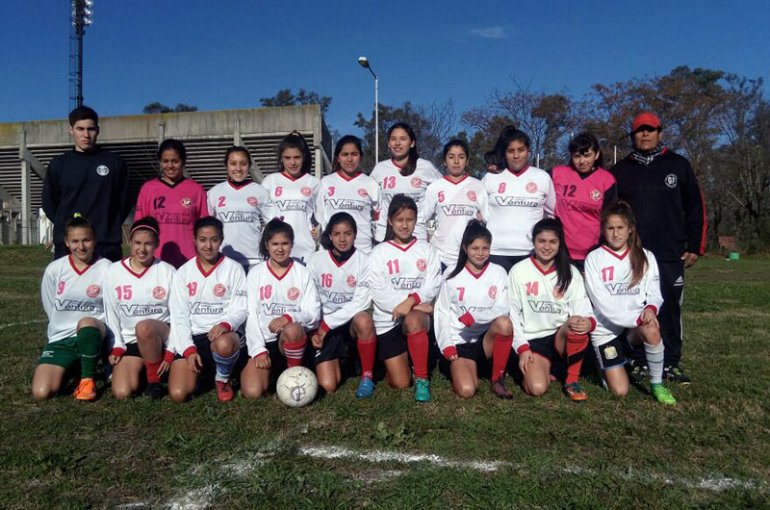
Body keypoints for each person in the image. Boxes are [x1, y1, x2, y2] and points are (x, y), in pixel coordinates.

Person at [611, 112, 706, 384]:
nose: (645, 134)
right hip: (633, 254)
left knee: (670, 306)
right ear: (632, 136)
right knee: (635, 305)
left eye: (650, 130)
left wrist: (694, 245)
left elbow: (695, 207)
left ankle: (671, 362)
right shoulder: (620, 171)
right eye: (640, 130)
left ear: (660, 133)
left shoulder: (678, 165)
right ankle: (639, 360)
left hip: (669, 252)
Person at [583, 201, 677, 405]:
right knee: (620, 391)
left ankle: (657, 384)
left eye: (620, 228)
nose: (615, 233)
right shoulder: (594, 258)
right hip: (605, 330)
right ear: (603, 230)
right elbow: (602, 303)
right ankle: (602, 362)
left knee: (651, 327)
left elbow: (654, 292)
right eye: (610, 228)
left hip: (633, 328)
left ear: (630, 229)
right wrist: (635, 318)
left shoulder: (646, 257)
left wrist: (651, 309)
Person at [364, 194, 442, 402]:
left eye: (410, 220)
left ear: (416, 221)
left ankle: (422, 379)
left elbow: (433, 283)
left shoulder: (427, 250)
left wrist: (412, 301)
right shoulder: (378, 252)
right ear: (390, 221)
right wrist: (412, 303)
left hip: (415, 316)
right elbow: (378, 292)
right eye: (399, 220)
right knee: (400, 383)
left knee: (414, 319)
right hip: (388, 320)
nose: (405, 225)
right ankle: (397, 364)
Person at [508, 218, 594, 401]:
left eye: (553, 242)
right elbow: (512, 314)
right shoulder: (518, 271)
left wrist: (588, 322)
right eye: (542, 241)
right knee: (537, 388)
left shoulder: (570, 272)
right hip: (532, 341)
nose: (547, 247)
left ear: (560, 243)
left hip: (559, 338)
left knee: (577, 322)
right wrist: (522, 348)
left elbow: (583, 309)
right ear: (533, 242)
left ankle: (571, 380)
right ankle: (546, 368)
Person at [165, 217, 247, 402]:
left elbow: (241, 308)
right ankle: (206, 371)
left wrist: (226, 324)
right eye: (203, 240)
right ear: (194, 240)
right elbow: (179, 316)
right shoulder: (183, 273)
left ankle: (222, 378)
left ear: (221, 240)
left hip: (223, 336)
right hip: (195, 337)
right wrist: (188, 349)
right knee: (178, 394)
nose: (208, 246)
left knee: (225, 344)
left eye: (214, 240)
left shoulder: (234, 269)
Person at [32, 215, 111, 401]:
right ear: (67, 242)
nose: (81, 246)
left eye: (86, 240)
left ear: (95, 240)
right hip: (62, 340)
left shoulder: (107, 268)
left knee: (86, 323)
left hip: (93, 333)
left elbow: (111, 309)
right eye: (75, 241)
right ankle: (74, 365)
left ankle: (87, 380)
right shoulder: (55, 269)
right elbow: (50, 305)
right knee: (41, 392)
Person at [241, 219, 321, 399]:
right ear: (267, 245)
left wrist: (289, 317)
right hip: (265, 342)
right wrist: (258, 349)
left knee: (292, 329)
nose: (280, 248)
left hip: (292, 341)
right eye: (275, 244)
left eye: (285, 243)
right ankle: (272, 374)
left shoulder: (302, 273)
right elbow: (251, 315)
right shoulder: (256, 273)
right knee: (252, 392)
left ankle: (294, 376)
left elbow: (313, 313)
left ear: (292, 244)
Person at [434, 220, 514, 399]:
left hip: (485, 341)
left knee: (504, 323)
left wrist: (476, 316)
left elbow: (503, 308)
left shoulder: (499, 272)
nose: (480, 253)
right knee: (467, 390)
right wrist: (446, 344)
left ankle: (497, 379)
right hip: (459, 341)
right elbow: (442, 312)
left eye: (485, 248)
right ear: (465, 248)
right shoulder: (452, 274)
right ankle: (464, 368)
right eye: (475, 248)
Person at [42, 106, 131, 262]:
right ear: (71, 130)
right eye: (80, 129)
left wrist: (107, 224)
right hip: (69, 246)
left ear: (98, 130)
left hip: (106, 244)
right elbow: (50, 205)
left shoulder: (114, 163)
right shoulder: (59, 165)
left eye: (90, 129)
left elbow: (124, 202)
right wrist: (71, 229)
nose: (86, 134)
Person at [103, 217, 176, 400]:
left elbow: (178, 316)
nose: (142, 249)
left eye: (148, 244)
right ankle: (145, 367)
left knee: (143, 327)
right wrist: (117, 345)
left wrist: (171, 350)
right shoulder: (113, 271)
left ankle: (155, 381)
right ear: (129, 241)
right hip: (130, 341)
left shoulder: (168, 271)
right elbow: (110, 313)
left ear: (157, 243)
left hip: (159, 338)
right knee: (121, 392)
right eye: (137, 243)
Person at [307, 213, 378, 397]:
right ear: (329, 236)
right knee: (328, 385)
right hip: (326, 327)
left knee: (364, 320)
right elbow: (310, 298)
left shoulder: (365, 261)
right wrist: (318, 326)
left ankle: (367, 376)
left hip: (348, 324)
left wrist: (326, 324)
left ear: (355, 234)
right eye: (337, 234)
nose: (342, 239)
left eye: (347, 233)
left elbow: (361, 302)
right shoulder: (316, 260)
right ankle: (344, 361)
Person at [483, 128, 556, 273]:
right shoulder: (491, 177)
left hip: (531, 252)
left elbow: (552, 214)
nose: (516, 155)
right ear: (504, 153)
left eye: (521, 150)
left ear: (528, 150)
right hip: (496, 252)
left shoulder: (542, 177)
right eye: (511, 151)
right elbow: (481, 213)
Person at [135, 139, 208, 268]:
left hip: (188, 261)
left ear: (184, 161)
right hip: (156, 260)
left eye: (175, 161)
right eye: (165, 161)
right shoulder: (148, 189)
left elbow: (204, 229)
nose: (170, 166)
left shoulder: (196, 189)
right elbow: (139, 229)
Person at [550, 132, 617, 270]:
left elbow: (610, 218)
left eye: (587, 155)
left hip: (592, 253)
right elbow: (530, 178)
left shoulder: (607, 180)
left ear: (596, 154)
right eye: (577, 156)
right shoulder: (557, 173)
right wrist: (500, 166)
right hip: (559, 252)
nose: (582, 161)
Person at [423, 139, 489, 271]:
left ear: (467, 160)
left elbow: (488, 219)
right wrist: (431, 235)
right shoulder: (435, 187)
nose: (456, 161)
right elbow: (427, 219)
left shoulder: (477, 186)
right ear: (444, 161)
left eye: (461, 157)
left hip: (469, 257)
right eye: (451, 157)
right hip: (440, 257)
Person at [370, 123, 442, 242]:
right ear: (388, 143)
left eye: (403, 139)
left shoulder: (426, 167)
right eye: (393, 139)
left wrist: (432, 231)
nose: (397, 143)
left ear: (412, 143)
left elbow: (443, 196)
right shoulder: (380, 169)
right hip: (385, 236)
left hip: (418, 236)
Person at [262, 132, 321, 263]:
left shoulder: (314, 183)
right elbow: (265, 217)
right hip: (278, 249)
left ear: (304, 157)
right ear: (281, 158)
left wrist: (315, 230)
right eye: (287, 157)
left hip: (305, 249)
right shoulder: (270, 181)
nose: (292, 162)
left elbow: (321, 216)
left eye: (297, 157)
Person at [315, 135, 380, 255]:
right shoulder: (326, 182)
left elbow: (379, 216)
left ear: (360, 157)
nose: (350, 159)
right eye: (344, 155)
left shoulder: (370, 183)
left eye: (354, 154)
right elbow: (320, 216)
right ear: (338, 158)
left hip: (362, 251)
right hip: (331, 251)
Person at [207, 146, 269, 270]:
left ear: (249, 165)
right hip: (224, 261)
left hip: (254, 260)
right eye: (233, 164)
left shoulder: (260, 191)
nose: (238, 168)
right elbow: (207, 227)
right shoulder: (214, 192)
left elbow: (272, 223)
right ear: (226, 165)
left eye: (243, 164)